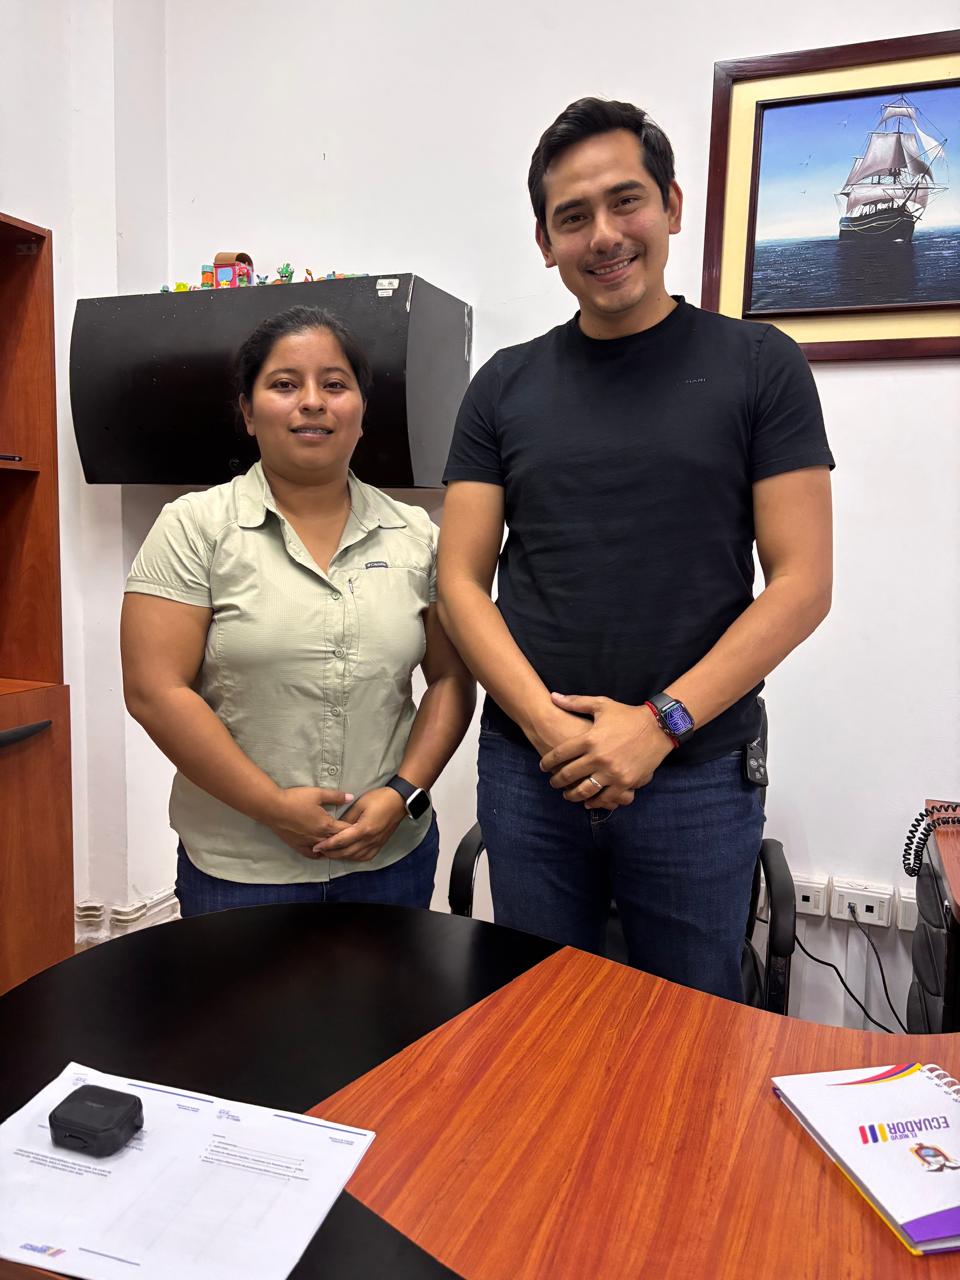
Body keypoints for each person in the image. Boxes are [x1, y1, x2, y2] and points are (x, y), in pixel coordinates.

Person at [438, 98, 834, 1001]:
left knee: (692, 1029)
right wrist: (550, 729)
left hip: (695, 773)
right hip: (532, 770)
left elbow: (803, 582)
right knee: (539, 1017)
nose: (605, 235)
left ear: (672, 206)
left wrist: (657, 726)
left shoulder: (760, 364)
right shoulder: (503, 384)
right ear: (545, 242)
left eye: (626, 201)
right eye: (573, 217)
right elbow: (459, 580)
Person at [122, 305, 475, 917]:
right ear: (248, 411)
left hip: (389, 855)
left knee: (394, 987)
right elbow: (156, 692)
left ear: (361, 410)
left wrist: (404, 794)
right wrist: (271, 807)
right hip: (239, 866)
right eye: (285, 384)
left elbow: (451, 678)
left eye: (335, 384)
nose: (312, 402)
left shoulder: (417, 536)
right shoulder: (193, 527)